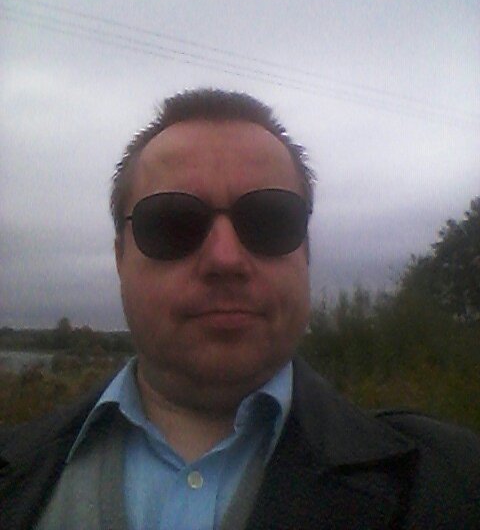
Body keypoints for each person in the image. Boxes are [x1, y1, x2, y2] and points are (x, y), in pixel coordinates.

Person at [0, 89, 479, 530]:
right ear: (120, 257)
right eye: (172, 222)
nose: (225, 259)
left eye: (270, 220)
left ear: (306, 253)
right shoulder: (16, 470)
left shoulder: (453, 481)